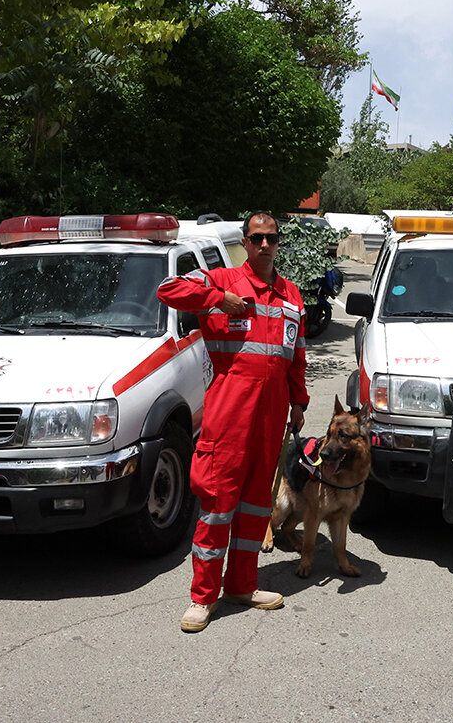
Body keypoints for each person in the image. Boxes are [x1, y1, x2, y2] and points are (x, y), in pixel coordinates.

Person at [157, 211, 309, 632]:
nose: (264, 245)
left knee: (255, 504)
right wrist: (215, 299)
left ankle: (242, 584)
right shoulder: (221, 280)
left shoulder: (292, 296)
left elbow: (295, 358)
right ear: (245, 241)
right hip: (229, 414)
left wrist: (298, 402)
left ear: (279, 243)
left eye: (271, 238)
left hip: (271, 416)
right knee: (218, 502)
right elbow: (167, 289)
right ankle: (202, 598)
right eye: (257, 238)